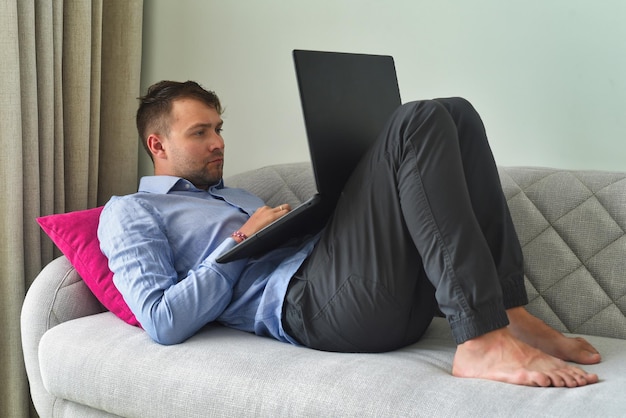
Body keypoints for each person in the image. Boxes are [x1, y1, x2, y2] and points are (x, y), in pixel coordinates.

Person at [98, 80, 601, 388]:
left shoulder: (239, 194)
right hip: (316, 310)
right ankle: (480, 343)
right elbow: (162, 320)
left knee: (456, 113)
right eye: (200, 132)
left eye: (219, 127)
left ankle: (508, 312)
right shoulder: (130, 211)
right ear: (156, 143)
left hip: (364, 290)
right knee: (417, 120)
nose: (219, 142)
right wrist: (242, 240)